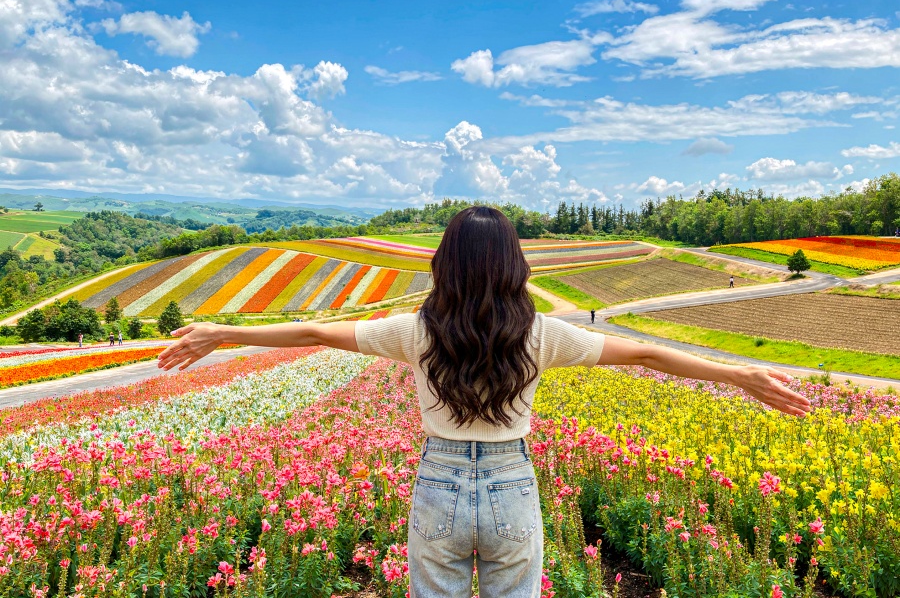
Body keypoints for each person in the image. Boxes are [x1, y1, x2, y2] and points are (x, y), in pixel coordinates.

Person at [157, 206, 810, 598]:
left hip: (438, 483)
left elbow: (314, 331)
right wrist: (737, 375)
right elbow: (644, 354)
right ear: (513, 264)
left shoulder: (416, 330)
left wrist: (224, 331)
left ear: (445, 262)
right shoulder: (541, 333)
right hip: (511, 486)